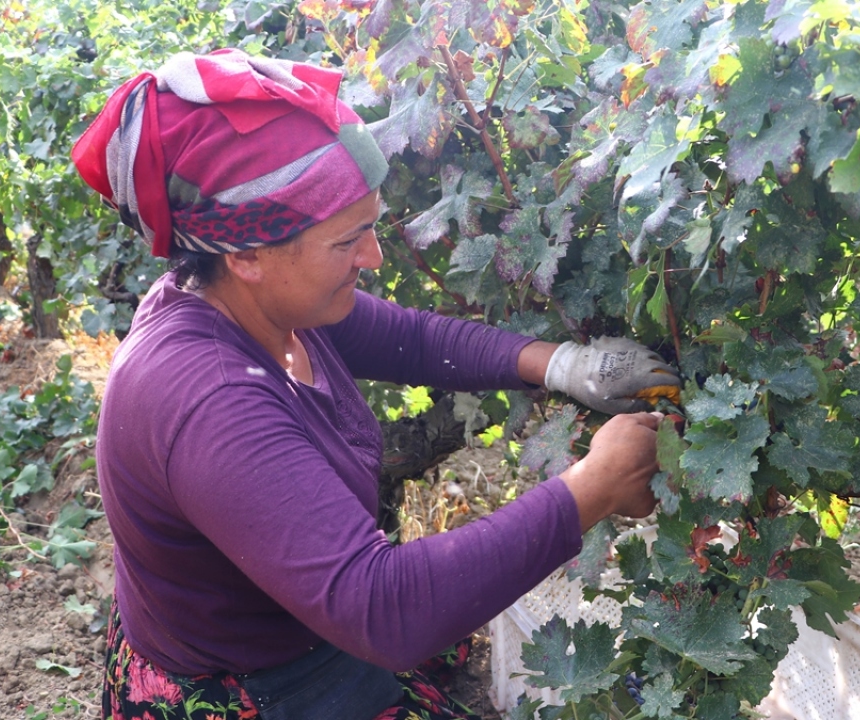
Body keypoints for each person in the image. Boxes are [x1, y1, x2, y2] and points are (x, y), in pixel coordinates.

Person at [70, 49, 680, 720]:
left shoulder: (266, 305)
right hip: (252, 688)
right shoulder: (210, 402)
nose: (375, 255)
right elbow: (385, 609)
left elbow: (410, 338)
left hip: (306, 627)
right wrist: (594, 487)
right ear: (247, 255)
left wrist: (565, 365)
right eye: (348, 240)